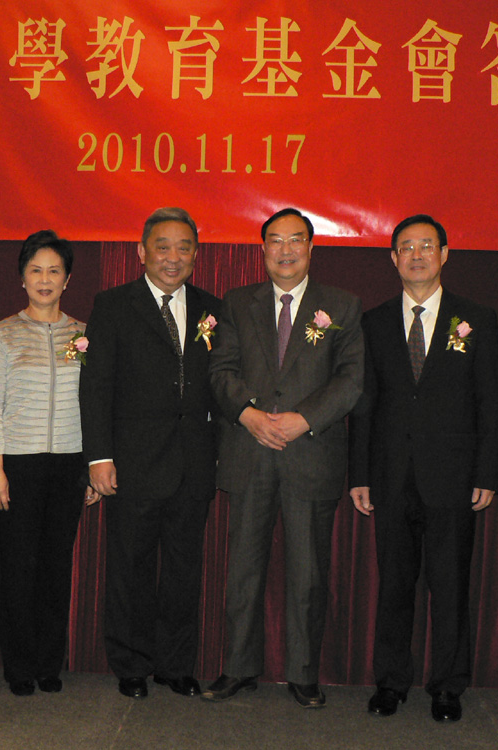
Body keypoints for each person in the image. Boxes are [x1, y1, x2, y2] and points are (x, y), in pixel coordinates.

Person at [348, 214, 498, 722]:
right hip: (392, 476)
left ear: (444, 254)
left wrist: (487, 474)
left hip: (454, 478)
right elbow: (364, 405)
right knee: (394, 585)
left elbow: (491, 401)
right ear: (393, 258)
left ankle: (448, 687)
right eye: (407, 247)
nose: (417, 255)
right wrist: (360, 474)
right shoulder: (373, 322)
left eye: (427, 246)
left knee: (450, 585)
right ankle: (391, 682)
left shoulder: (475, 318)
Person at [204, 207, 363, 709]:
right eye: (276, 240)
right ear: (263, 249)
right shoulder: (237, 302)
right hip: (249, 451)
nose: (286, 250)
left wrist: (304, 419)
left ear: (311, 248)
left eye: (296, 240)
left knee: (308, 574)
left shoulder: (342, 304)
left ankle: (304, 673)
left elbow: (351, 379)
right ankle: (238, 667)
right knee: (243, 572)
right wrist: (248, 414)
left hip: (310, 453)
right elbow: (221, 370)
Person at [79, 207, 220, 699]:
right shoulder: (114, 305)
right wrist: (98, 456)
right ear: (142, 251)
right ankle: (132, 664)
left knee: (184, 570)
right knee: (130, 570)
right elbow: (96, 385)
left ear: (196, 255)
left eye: (184, 247)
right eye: (162, 246)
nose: (173, 257)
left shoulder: (211, 308)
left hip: (193, 463)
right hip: (132, 463)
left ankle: (175, 665)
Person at [0, 230, 98, 696]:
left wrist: (92, 465)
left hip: (68, 465)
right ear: (22, 278)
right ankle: (19, 665)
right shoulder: (3, 334)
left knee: (54, 568)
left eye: (54, 271)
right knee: (18, 568)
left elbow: (96, 405)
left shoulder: (84, 334)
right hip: (18, 466)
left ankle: (49, 663)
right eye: (35, 270)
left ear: (67, 279)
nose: (44, 280)